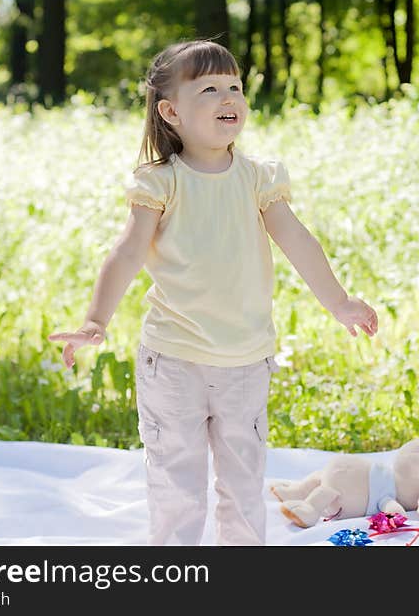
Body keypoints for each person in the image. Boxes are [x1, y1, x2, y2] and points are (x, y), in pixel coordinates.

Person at [48, 39, 378, 546]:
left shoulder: (258, 179)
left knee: (243, 480)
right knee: (176, 482)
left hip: (245, 359)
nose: (229, 98)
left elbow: (296, 240)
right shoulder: (161, 183)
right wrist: (96, 321)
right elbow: (128, 252)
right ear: (171, 111)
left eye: (235, 87)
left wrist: (339, 301)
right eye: (210, 88)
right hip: (173, 359)